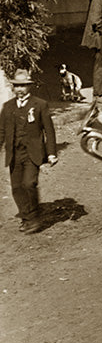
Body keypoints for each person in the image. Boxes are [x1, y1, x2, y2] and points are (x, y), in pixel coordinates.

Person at [2, 70, 58, 233]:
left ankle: (34, 218)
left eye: (23, 86)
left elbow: (49, 130)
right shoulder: (8, 107)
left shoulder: (40, 104)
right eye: (17, 86)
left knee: (29, 183)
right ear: (13, 87)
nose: (20, 89)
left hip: (32, 153)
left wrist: (52, 153)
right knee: (17, 187)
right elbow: (1, 131)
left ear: (29, 87)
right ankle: (26, 218)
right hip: (14, 153)